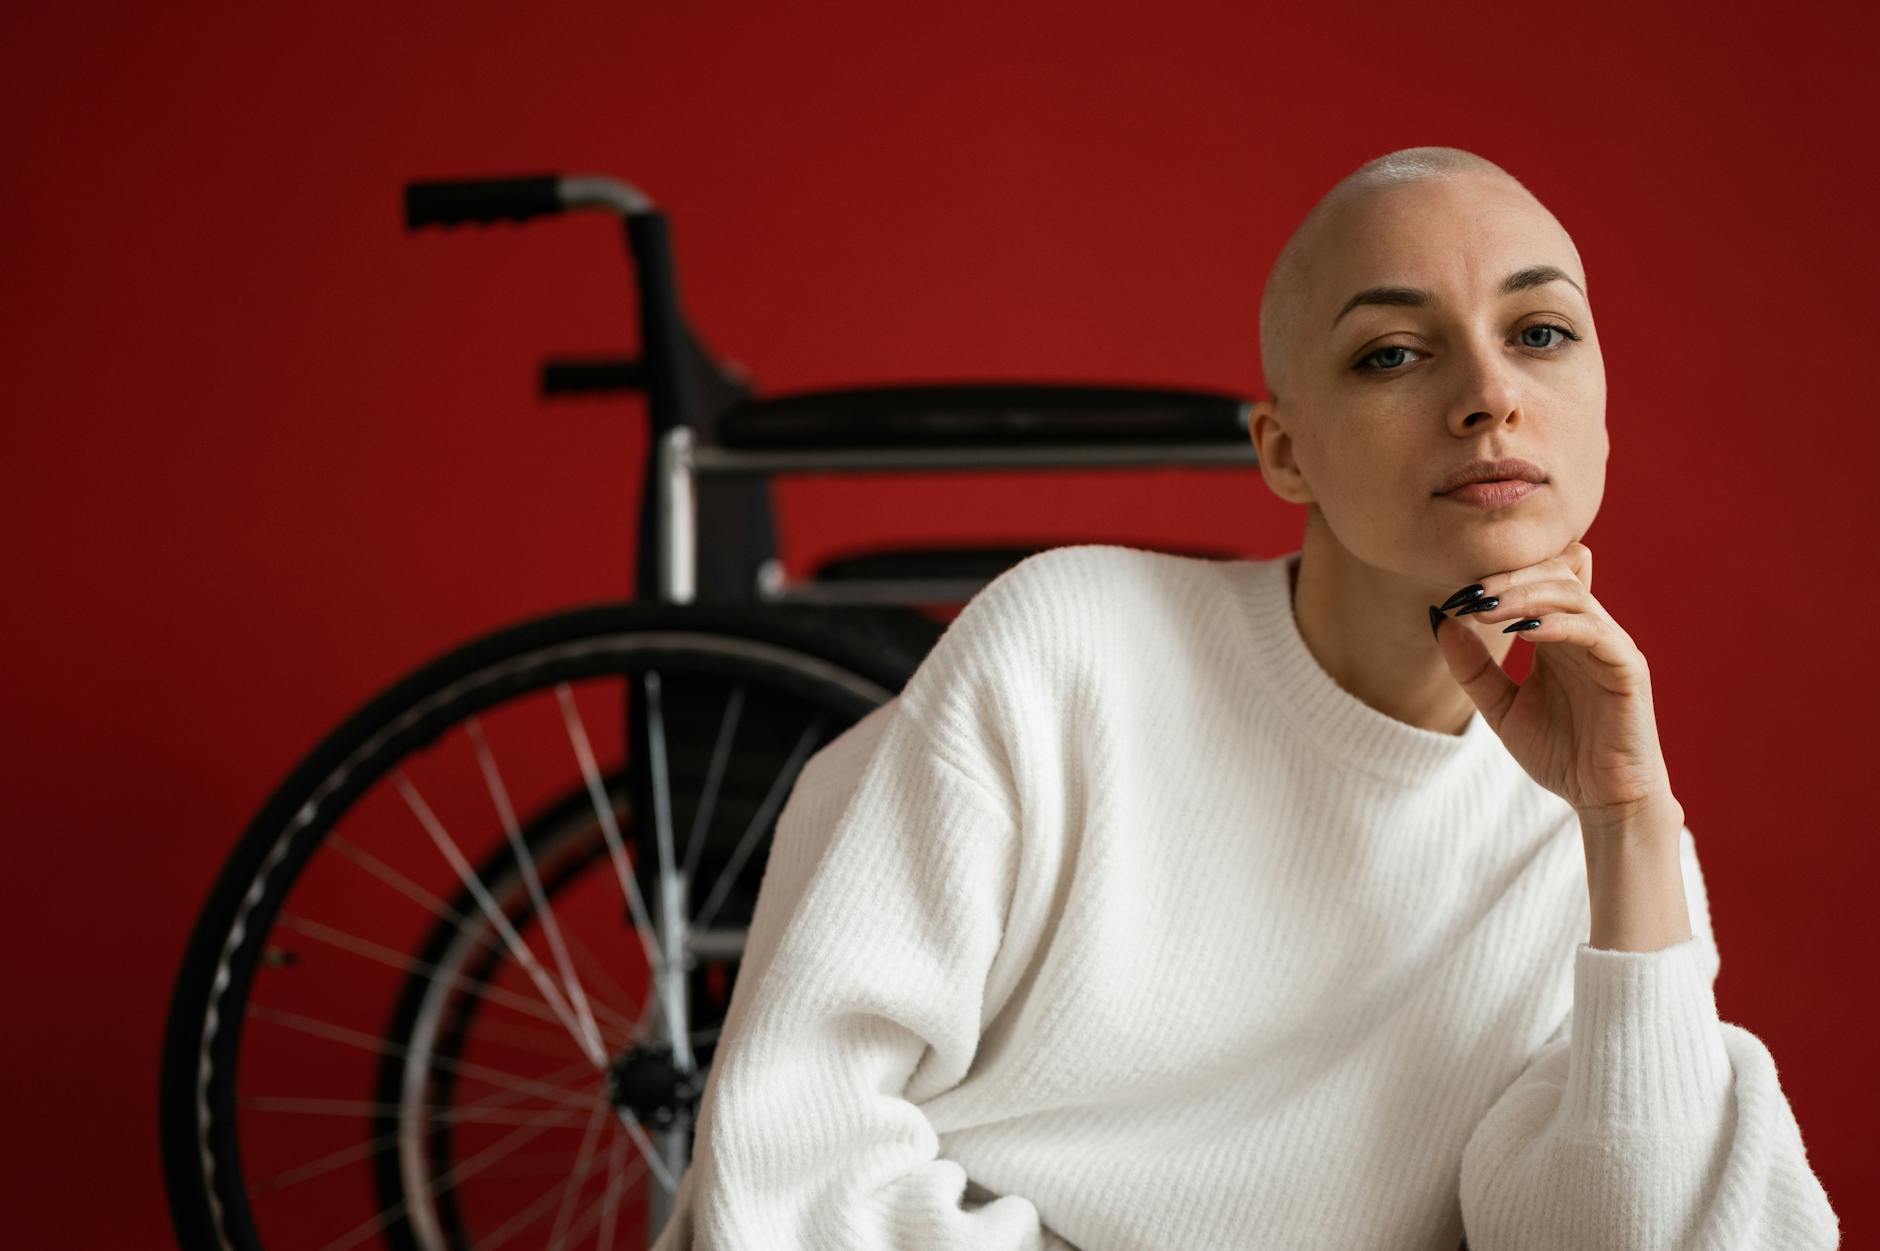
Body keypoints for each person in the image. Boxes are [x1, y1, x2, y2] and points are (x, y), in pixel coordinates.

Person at [648, 146, 1840, 1249]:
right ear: (1282, 451)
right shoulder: (1070, 656)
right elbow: (793, 1151)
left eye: (1538, 332)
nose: (1487, 395)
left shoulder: (1598, 847)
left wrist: (1626, 820)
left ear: (1600, 422)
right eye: (1390, 353)